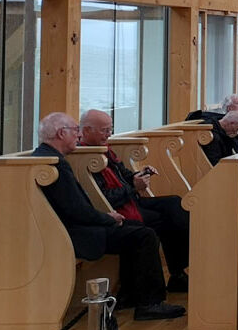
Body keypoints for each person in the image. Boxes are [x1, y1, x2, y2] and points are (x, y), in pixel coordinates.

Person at [33, 113, 186, 320]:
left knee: (141, 229)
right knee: (144, 235)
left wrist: (108, 216)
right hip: (74, 234)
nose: (77, 136)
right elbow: (77, 210)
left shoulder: (48, 157)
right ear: (61, 133)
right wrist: (108, 218)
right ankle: (150, 303)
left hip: (72, 226)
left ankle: (132, 294)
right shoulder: (55, 163)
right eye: (75, 130)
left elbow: (77, 207)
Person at [81, 110, 191, 293]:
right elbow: (103, 198)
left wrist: (140, 175)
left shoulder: (107, 151)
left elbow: (125, 176)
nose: (109, 134)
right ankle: (172, 277)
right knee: (163, 222)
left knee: (175, 204)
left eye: (110, 129)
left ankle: (181, 270)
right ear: (86, 131)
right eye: (104, 130)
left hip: (130, 198)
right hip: (116, 208)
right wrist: (133, 186)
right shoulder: (84, 158)